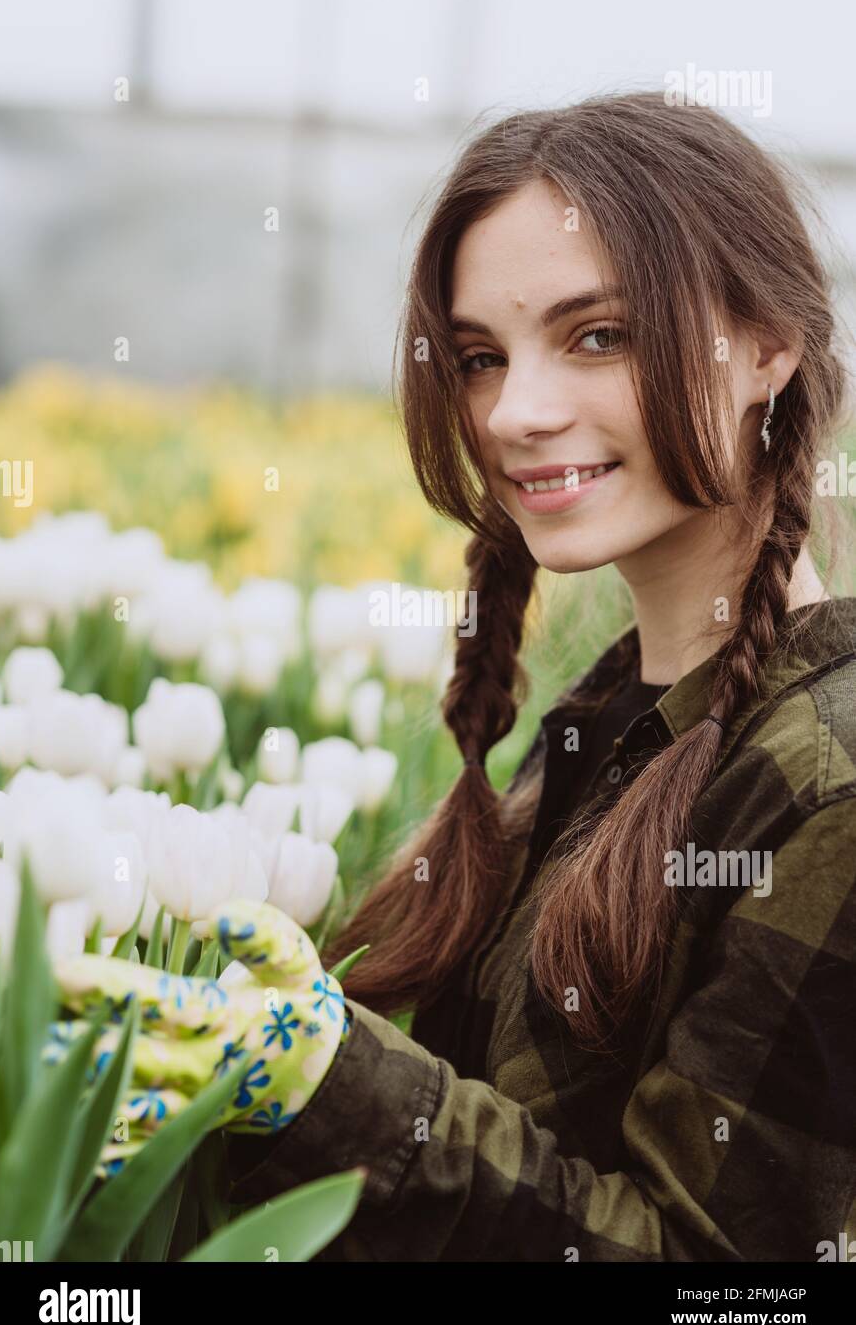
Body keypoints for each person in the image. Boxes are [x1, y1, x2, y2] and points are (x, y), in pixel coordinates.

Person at [61, 92, 856, 1262]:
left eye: (599, 335)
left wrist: (330, 1085)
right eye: (482, 356)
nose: (514, 413)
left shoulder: (826, 781)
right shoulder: (615, 709)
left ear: (770, 346)